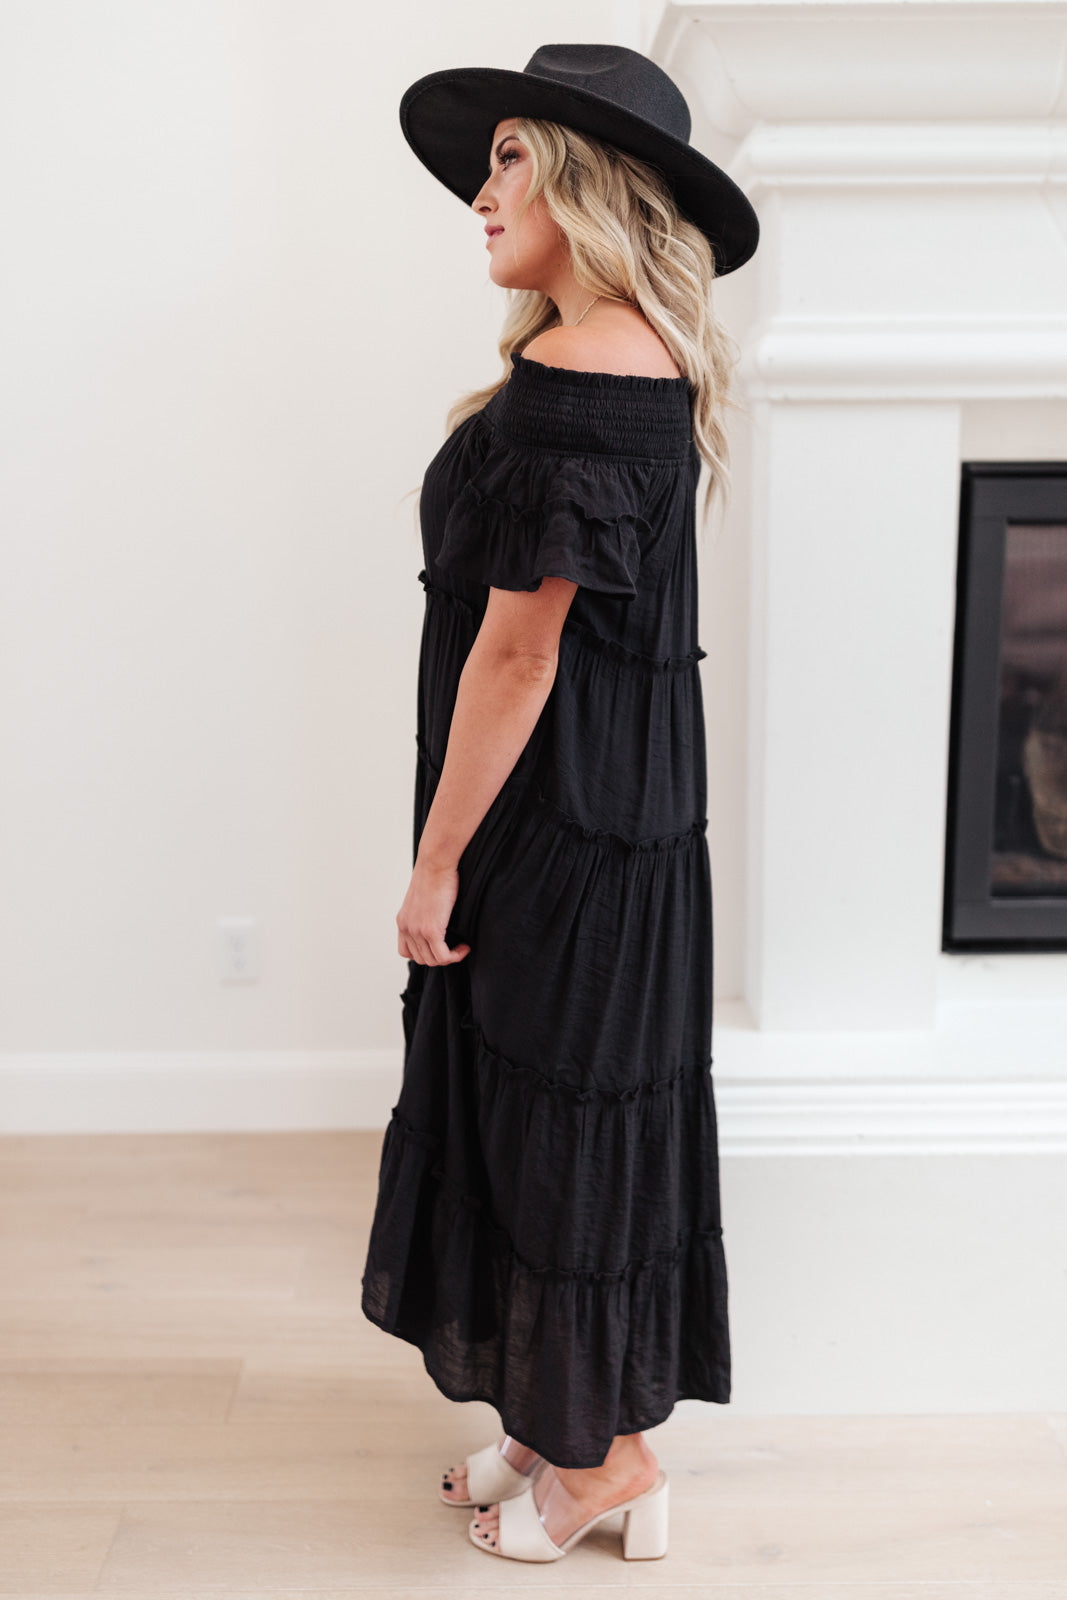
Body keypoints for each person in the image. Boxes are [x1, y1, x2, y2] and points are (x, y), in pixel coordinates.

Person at [361, 43, 759, 1564]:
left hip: (557, 829)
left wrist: (436, 862)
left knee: (553, 1125)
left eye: (512, 158)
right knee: (542, 1113)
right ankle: (558, 1418)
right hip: (602, 819)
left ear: (588, 184)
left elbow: (521, 653)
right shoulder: (624, 352)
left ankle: (613, 1463)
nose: (481, 192)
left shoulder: (589, 372)